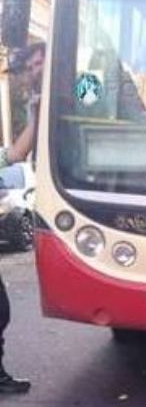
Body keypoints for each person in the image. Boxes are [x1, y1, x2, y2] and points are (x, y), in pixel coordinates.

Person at [0, 42, 45, 395]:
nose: (35, 71)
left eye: (39, 63)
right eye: (31, 66)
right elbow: (15, 154)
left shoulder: (81, 82)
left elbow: (15, 154)